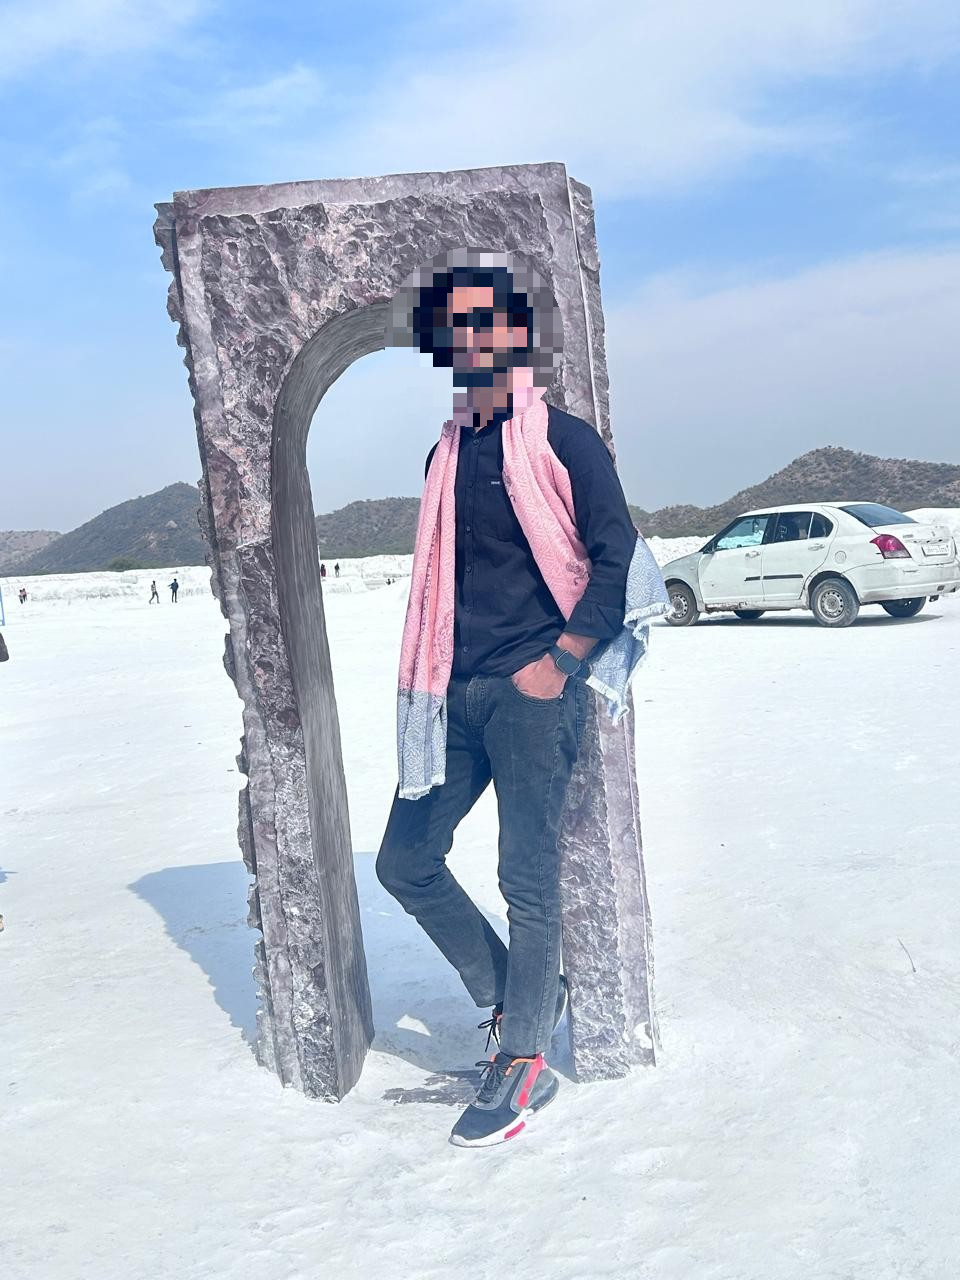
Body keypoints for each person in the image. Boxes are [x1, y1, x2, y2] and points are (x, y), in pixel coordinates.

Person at [376, 250, 667, 1148]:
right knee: (404, 862)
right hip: (452, 693)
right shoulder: (444, 453)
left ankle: (525, 1055)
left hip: (533, 692)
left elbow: (617, 557)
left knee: (527, 879)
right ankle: (516, 993)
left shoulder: (563, 441)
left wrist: (563, 660)